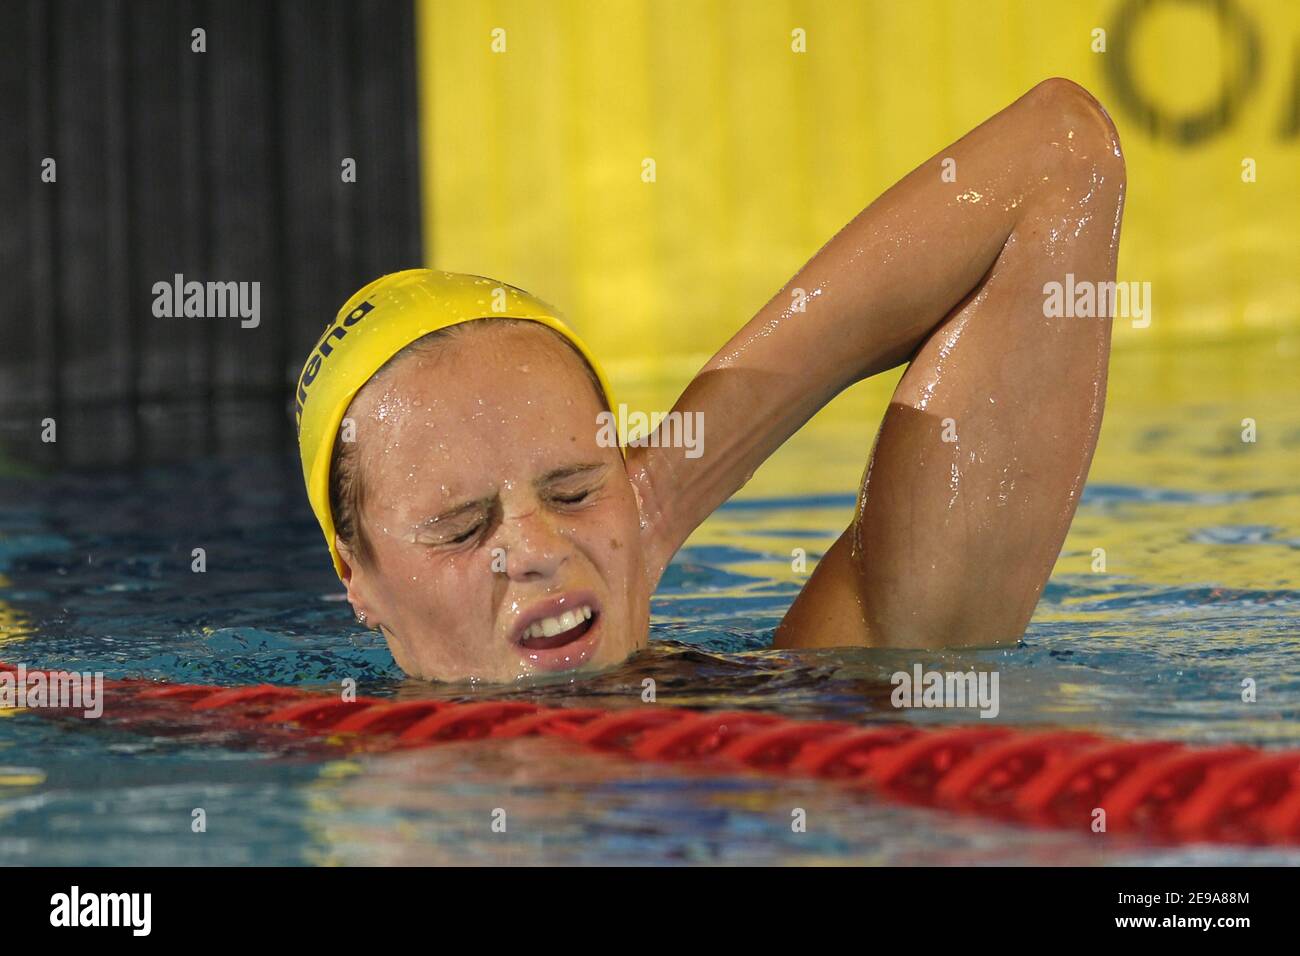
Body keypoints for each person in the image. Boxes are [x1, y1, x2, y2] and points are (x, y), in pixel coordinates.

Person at [295, 77, 1125, 684]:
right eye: (462, 527)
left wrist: (668, 493)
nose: (540, 552)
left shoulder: (801, 708)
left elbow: (1062, 159)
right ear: (354, 577)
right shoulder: (262, 743)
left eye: (579, 490)